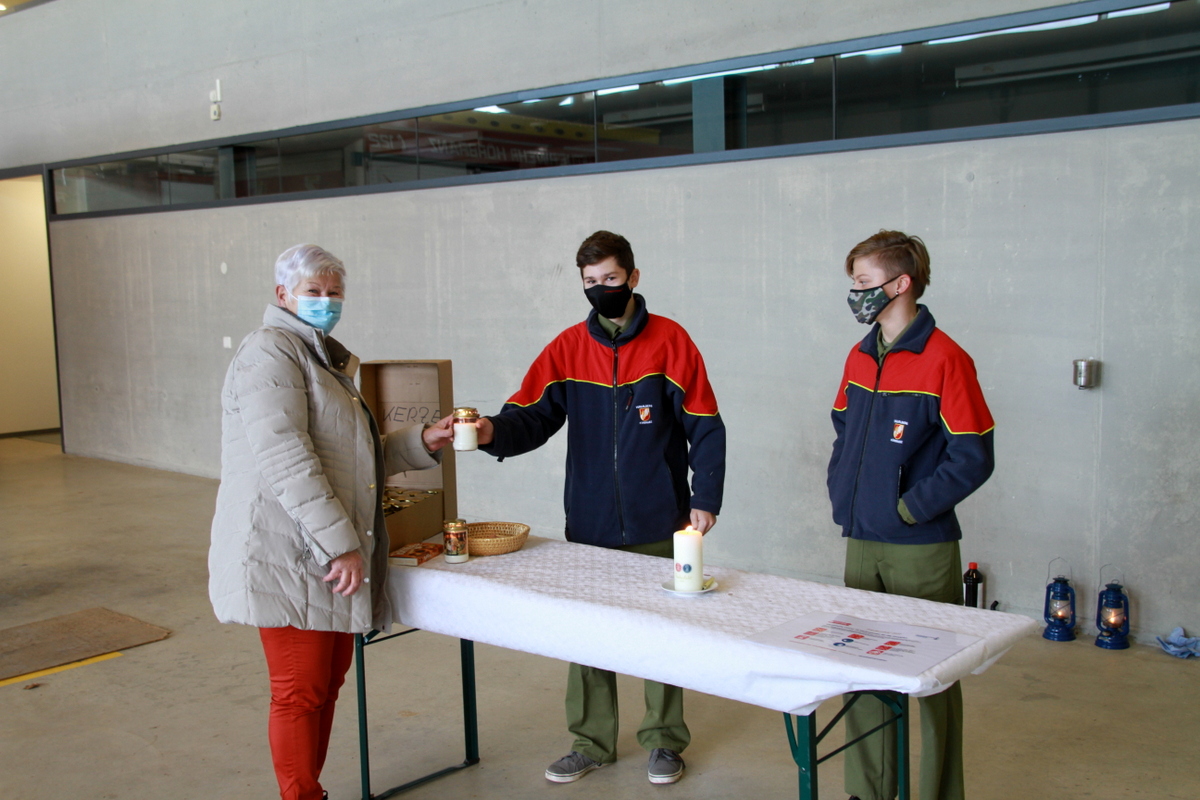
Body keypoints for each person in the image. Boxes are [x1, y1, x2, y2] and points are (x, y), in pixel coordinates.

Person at [474, 230, 726, 786]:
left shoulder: (671, 342)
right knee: (587, 636)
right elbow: (530, 415)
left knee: (662, 633)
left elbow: (705, 424)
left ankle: (664, 740)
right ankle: (590, 743)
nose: (601, 289)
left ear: (633, 277)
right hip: (588, 522)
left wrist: (705, 497)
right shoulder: (567, 348)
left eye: (610, 278)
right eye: (590, 281)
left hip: (661, 517)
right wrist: (491, 431)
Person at [208, 244, 454, 800]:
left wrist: (421, 442)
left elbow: (349, 456)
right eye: (313, 292)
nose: (326, 301)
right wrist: (341, 545)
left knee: (324, 684)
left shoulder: (318, 356)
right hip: (290, 551)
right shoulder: (269, 352)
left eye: (334, 292)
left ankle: (307, 790)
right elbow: (285, 458)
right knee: (299, 691)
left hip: (320, 550)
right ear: (283, 295)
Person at [826, 231, 995, 800]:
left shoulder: (947, 359)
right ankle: (868, 790)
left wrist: (909, 508)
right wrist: (842, 491)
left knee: (934, 678)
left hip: (919, 546)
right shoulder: (859, 355)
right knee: (862, 670)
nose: (855, 293)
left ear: (901, 284)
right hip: (861, 538)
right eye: (853, 282)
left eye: (864, 282)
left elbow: (973, 456)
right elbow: (843, 428)